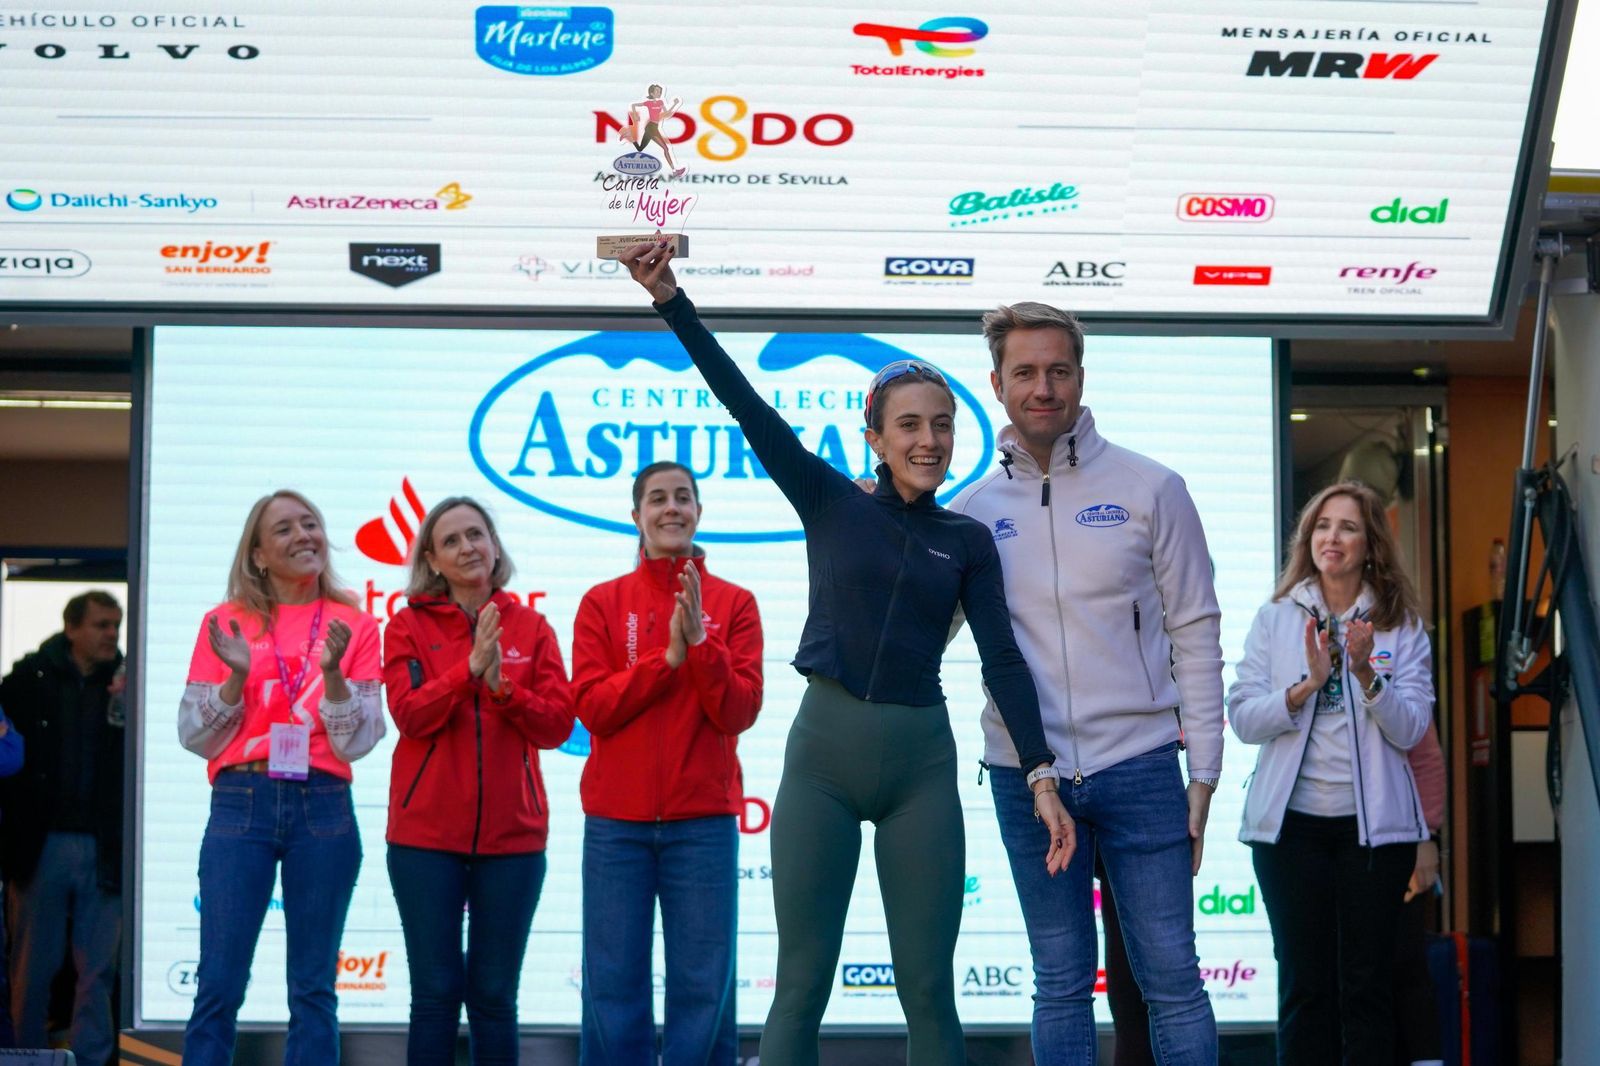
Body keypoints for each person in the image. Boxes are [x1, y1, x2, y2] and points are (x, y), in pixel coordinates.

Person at [620, 241, 1073, 1066]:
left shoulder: (967, 539)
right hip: (822, 760)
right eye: (909, 425)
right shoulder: (828, 498)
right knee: (801, 985)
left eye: (941, 424)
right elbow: (744, 404)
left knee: (929, 989)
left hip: (921, 766)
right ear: (874, 436)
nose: (928, 440)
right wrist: (668, 299)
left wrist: (1040, 773)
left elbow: (1002, 660)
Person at [948, 301, 1222, 1064]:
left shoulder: (1152, 488)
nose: (1045, 388)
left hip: (1139, 765)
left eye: (1058, 371)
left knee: (1173, 981)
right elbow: (919, 631)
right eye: (1026, 372)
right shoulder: (969, 516)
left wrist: (1203, 772)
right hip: (1023, 774)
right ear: (997, 384)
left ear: (1080, 377)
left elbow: (1195, 631)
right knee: (1060, 982)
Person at [178, 491, 386, 1066]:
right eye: (286, 529)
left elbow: (359, 741)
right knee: (218, 983)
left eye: (311, 524)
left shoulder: (357, 624)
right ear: (259, 554)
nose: (304, 536)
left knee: (314, 989)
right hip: (240, 798)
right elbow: (195, 736)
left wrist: (335, 678)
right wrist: (233, 679)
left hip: (323, 802)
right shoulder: (223, 623)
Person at [1229, 480, 1433, 1066]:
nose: (1331, 537)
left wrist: (1368, 675)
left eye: (1347, 526)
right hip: (1290, 834)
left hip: (1373, 839)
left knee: (1366, 989)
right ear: (1308, 539)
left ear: (1370, 544)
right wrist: (1307, 686)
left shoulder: (1400, 624)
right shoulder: (1276, 617)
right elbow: (1243, 716)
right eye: (1322, 525)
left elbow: (1411, 728)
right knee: (1304, 988)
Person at [572, 461, 764, 1066]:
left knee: (704, 986)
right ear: (637, 517)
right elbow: (594, 709)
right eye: (657, 499)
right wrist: (665, 661)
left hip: (701, 823)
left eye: (683, 497)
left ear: (700, 512)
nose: (671, 508)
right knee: (610, 983)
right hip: (616, 825)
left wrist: (702, 651)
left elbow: (739, 711)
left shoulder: (735, 603)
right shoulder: (602, 603)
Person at [383, 496, 575, 1066]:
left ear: (494, 546)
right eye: (451, 540)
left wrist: (502, 688)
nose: (467, 547)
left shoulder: (532, 627)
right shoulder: (406, 626)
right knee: (436, 996)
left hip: (513, 843)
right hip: (424, 842)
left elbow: (559, 724)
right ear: (433, 561)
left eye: (476, 534)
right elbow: (411, 715)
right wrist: (467, 672)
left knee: (493, 998)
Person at [0, 590, 125, 1066]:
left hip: (105, 845)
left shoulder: (128, 681)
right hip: (41, 843)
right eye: (101, 624)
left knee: (98, 969)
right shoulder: (25, 680)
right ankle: (24, 1056)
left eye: (116, 624)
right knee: (33, 965)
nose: (112, 633)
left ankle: (92, 1061)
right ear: (72, 628)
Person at [621, 84, 687, 178]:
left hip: (654, 127)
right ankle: (674, 171)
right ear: (652, 93)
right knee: (666, 148)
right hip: (651, 127)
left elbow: (667, 114)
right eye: (657, 91)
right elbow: (633, 105)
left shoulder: (661, 102)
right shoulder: (648, 103)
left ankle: (630, 136)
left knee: (640, 148)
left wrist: (675, 104)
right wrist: (635, 115)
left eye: (660, 91)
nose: (659, 93)